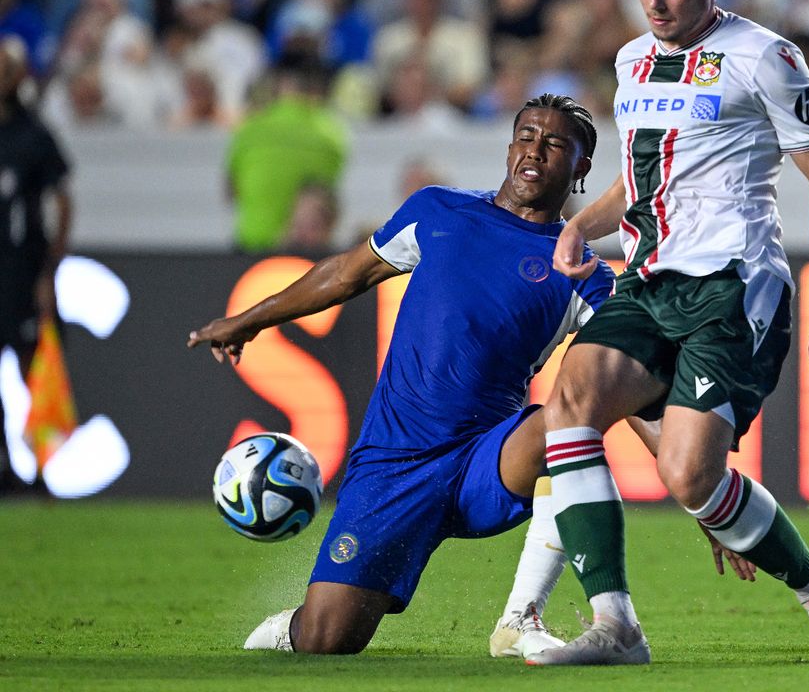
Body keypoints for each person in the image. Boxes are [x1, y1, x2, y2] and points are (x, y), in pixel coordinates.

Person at [188, 94, 744, 656]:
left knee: (565, 428)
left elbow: (631, 393)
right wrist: (249, 320)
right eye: (527, 136)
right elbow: (344, 275)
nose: (535, 151)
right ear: (509, 147)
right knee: (328, 642)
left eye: (555, 144)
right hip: (393, 466)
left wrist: (699, 491)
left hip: (485, 459)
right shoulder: (438, 211)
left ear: (581, 169)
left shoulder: (584, 273)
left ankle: (520, 618)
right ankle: (298, 627)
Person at [526, 0, 809, 667]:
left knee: (688, 476)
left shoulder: (765, 57)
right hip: (649, 281)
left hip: (733, 285)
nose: (656, 4)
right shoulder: (630, 62)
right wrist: (578, 225)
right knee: (570, 401)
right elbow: (643, 177)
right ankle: (615, 625)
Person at [0, 36, 72, 494]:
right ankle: (5, 464)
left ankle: (43, 468)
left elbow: (61, 199)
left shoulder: (34, 134)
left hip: (22, 270)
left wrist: (50, 269)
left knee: (36, 369)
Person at [226, 55, 345, 253]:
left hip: (251, 245)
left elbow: (231, 191)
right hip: (309, 254)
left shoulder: (250, 129)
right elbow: (328, 192)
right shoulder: (332, 134)